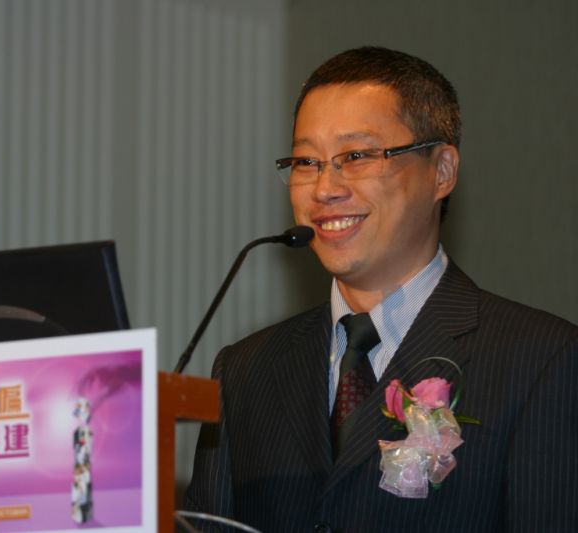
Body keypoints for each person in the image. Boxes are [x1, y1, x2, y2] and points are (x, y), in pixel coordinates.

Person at [184, 46, 578, 532]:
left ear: (442, 171)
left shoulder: (542, 360)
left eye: (356, 156)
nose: (324, 188)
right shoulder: (245, 371)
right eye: (306, 161)